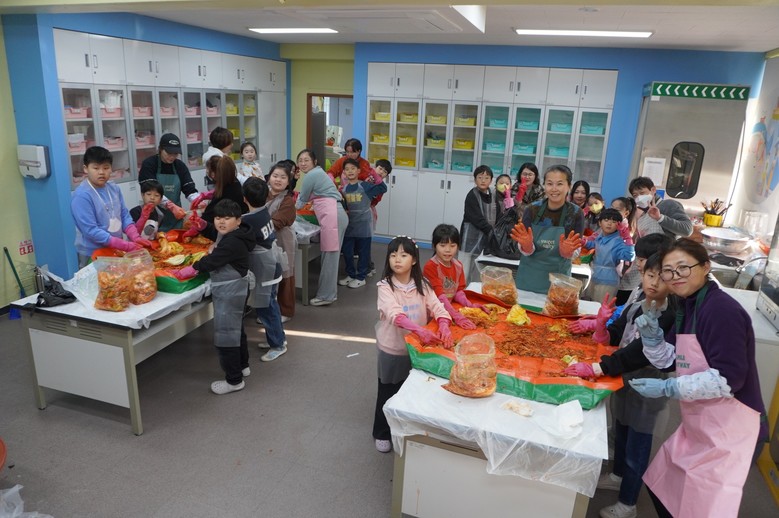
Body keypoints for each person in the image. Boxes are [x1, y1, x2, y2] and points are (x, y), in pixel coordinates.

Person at [631, 238, 767, 517]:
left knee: (699, 507)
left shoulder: (720, 310)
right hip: (699, 422)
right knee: (663, 487)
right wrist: (653, 340)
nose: (674, 276)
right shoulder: (688, 305)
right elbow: (672, 359)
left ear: (705, 267)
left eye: (683, 267)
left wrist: (669, 388)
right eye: (668, 271)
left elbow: (729, 379)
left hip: (730, 428)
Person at [565, 253, 676, 518]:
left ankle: (628, 503)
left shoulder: (669, 315)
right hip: (624, 376)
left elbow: (638, 352)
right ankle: (618, 476)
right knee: (622, 428)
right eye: (650, 275)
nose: (654, 283)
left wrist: (599, 368)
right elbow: (617, 335)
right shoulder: (638, 303)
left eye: (661, 278)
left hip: (648, 382)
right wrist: (602, 326)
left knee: (638, 442)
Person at [373, 236, 452, 453]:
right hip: (393, 349)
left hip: (417, 350)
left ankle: (406, 430)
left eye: (403, 255)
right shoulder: (385, 287)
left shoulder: (422, 285)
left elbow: (437, 307)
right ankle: (381, 432)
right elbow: (395, 314)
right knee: (388, 391)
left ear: (414, 260)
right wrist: (420, 330)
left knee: (411, 390)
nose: (397, 259)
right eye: (393, 255)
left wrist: (444, 324)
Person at [174, 199, 256, 395]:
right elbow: (218, 233)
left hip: (231, 292)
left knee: (226, 335)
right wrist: (204, 226)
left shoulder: (233, 242)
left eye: (227, 218)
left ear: (238, 220)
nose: (221, 222)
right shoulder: (237, 232)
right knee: (236, 330)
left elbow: (212, 260)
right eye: (218, 217)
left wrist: (192, 269)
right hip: (237, 289)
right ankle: (243, 365)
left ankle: (234, 380)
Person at [71, 146, 151, 267]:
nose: (101, 172)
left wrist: (135, 236)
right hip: (92, 253)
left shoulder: (113, 188)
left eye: (106, 168)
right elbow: (91, 231)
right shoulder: (82, 196)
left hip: (115, 249)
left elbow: (124, 215)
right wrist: (125, 245)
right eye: (96, 168)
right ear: (86, 169)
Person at [511, 164, 584, 293]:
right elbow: (525, 246)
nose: (554, 189)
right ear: (544, 185)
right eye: (550, 184)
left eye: (559, 184)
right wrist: (526, 247)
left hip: (558, 281)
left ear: (569, 186)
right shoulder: (532, 209)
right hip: (529, 278)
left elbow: (576, 248)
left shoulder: (575, 213)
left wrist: (568, 252)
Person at [242, 178, 287, 362]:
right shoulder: (264, 211)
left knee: (266, 307)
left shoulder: (248, 220)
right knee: (270, 305)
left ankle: (278, 344)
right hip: (272, 263)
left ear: (244, 198)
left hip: (264, 268)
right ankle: (276, 338)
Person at [295, 149, 348, 306]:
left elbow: (301, 200)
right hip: (335, 214)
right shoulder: (318, 173)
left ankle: (326, 296)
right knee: (331, 256)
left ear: (315, 162)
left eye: (306, 160)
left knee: (330, 257)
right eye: (300, 160)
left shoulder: (312, 175)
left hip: (333, 216)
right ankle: (329, 293)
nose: (303, 163)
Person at [422, 224, 487, 330]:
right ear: (434, 246)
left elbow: (458, 291)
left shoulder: (458, 265)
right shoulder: (431, 266)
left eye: (452, 246)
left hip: (448, 309)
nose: (448, 250)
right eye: (443, 245)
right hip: (431, 312)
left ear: (458, 246)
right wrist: (457, 316)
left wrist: (470, 305)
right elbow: (440, 297)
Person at [339, 158, 387, 289]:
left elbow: (383, 188)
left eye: (353, 168)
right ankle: (350, 274)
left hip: (364, 224)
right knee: (348, 251)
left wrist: (375, 173)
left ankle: (361, 277)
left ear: (358, 171)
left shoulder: (365, 186)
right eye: (347, 169)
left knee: (363, 252)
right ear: (344, 173)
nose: (350, 171)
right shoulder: (344, 189)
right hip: (350, 224)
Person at [264, 162, 297, 322]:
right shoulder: (263, 194)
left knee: (285, 273)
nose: (278, 180)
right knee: (267, 274)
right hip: (264, 240)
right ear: (269, 177)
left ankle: (286, 310)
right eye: (275, 176)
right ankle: (267, 309)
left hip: (283, 240)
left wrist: (255, 225)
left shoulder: (287, 201)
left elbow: (277, 222)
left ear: (288, 182)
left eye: (283, 177)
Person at [582, 208, 635, 302]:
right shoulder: (599, 236)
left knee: (600, 306)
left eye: (614, 222)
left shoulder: (618, 241)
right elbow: (594, 245)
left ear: (619, 225)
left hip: (608, 281)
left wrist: (627, 239)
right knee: (587, 304)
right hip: (593, 275)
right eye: (606, 220)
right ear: (600, 223)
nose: (609, 224)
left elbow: (629, 256)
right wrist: (584, 242)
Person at [138, 133, 199, 212]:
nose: (172, 157)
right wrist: (171, 206)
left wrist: (198, 200)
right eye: (169, 153)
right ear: (160, 149)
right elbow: (151, 191)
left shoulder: (180, 166)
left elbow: (189, 189)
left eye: (175, 154)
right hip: (153, 213)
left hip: (175, 214)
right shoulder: (149, 164)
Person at [461, 165, 498, 281]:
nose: (483, 180)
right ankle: (461, 289)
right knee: (464, 269)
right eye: (480, 177)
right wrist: (492, 232)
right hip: (470, 237)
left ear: (491, 180)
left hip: (485, 236)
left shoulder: (493, 194)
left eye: (487, 178)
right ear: (475, 179)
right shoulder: (472, 195)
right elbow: (476, 218)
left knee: (480, 270)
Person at [628, 177, 693, 239]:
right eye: (635, 195)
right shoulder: (641, 217)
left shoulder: (668, 205)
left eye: (642, 193)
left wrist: (660, 218)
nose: (639, 198)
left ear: (653, 190)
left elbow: (687, 230)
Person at [200, 156, 248, 224]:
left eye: (208, 170)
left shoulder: (225, 191)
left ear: (213, 174)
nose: (207, 172)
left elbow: (207, 217)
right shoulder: (234, 182)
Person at [612, 197, 640, 305]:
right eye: (612, 208)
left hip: (622, 275)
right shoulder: (615, 224)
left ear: (626, 213)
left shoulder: (626, 230)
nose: (613, 212)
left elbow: (628, 254)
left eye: (617, 209)